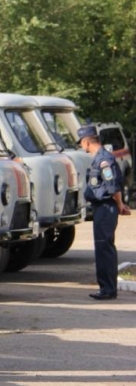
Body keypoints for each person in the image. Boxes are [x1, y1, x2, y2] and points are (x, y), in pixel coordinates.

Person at [78, 124, 131, 300]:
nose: (81, 146)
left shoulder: (104, 160)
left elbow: (112, 186)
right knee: (103, 247)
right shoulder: (100, 158)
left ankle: (108, 289)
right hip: (103, 207)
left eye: (81, 143)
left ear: (86, 141)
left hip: (106, 207)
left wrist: (120, 205)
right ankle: (106, 287)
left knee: (104, 248)